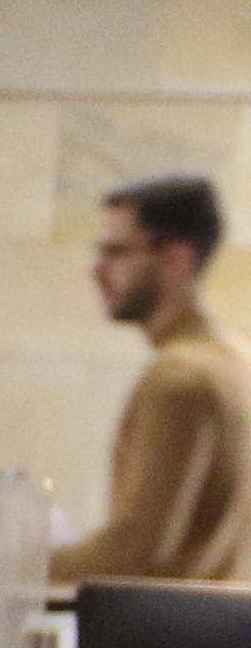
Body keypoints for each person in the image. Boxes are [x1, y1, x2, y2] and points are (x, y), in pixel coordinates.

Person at [59, 173, 251, 583]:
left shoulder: (180, 377)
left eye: (116, 252)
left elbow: (137, 553)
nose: (98, 271)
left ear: (177, 257)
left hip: (174, 623)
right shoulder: (237, 361)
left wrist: (9, 569)